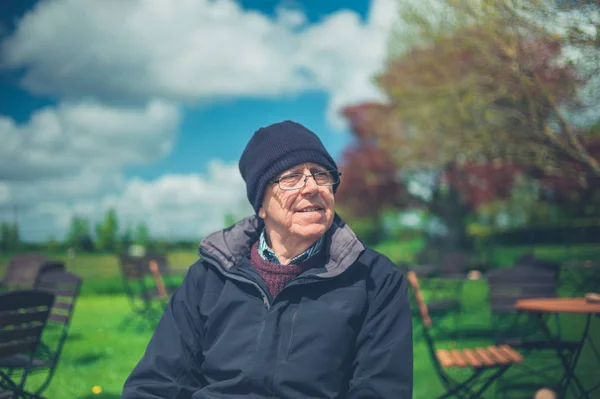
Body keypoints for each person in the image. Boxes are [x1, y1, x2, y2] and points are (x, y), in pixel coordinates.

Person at [122, 120, 413, 398]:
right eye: (291, 177)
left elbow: (380, 391)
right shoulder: (209, 277)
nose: (311, 187)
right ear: (261, 204)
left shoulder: (375, 280)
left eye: (321, 174)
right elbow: (157, 383)